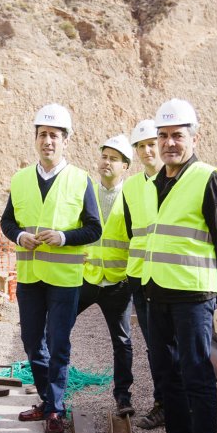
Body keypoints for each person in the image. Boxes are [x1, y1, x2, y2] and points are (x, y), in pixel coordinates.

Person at [139, 99, 217, 433]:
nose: (168, 143)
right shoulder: (153, 184)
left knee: (196, 377)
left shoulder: (208, 178)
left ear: (193, 137)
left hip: (193, 294)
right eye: (162, 136)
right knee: (167, 376)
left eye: (176, 136)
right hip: (157, 291)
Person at [0, 103, 102, 433]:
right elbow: (7, 222)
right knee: (31, 341)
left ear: (65, 141)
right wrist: (19, 235)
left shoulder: (79, 180)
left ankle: (56, 408)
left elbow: (93, 229)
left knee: (58, 343)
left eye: (54, 135)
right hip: (30, 278)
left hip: (64, 279)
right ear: (35, 139)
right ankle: (46, 400)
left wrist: (63, 237)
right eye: (43, 134)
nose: (48, 141)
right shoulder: (20, 179)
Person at [79, 134, 136, 418]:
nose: (107, 163)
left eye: (114, 159)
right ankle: (52, 393)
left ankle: (123, 396)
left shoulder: (131, 197)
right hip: (87, 278)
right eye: (104, 156)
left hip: (117, 281)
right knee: (57, 328)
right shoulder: (85, 191)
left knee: (122, 341)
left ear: (125, 166)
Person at [124, 119, 169, 430]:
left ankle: (180, 404)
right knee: (155, 345)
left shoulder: (176, 182)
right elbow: (132, 231)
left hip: (171, 277)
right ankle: (163, 403)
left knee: (175, 346)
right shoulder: (131, 187)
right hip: (141, 278)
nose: (147, 150)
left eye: (151, 143)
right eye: (141, 146)